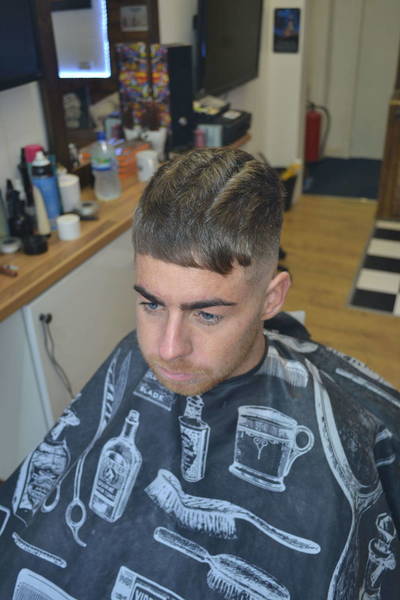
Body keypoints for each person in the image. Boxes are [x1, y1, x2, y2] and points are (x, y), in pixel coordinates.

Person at [0, 148, 399, 599]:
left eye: (207, 315)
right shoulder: (130, 356)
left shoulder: (350, 425)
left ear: (272, 298)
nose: (167, 349)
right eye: (151, 304)